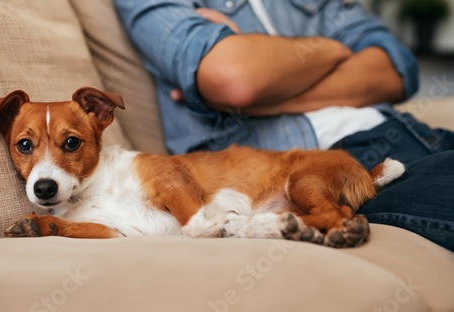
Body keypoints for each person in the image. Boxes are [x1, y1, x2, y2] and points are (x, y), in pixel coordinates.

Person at [114, 0, 454, 251]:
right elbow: (236, 79)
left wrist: (269, 86)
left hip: (414, 131)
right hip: (328, 159)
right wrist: (337, 50)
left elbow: (396, 70)